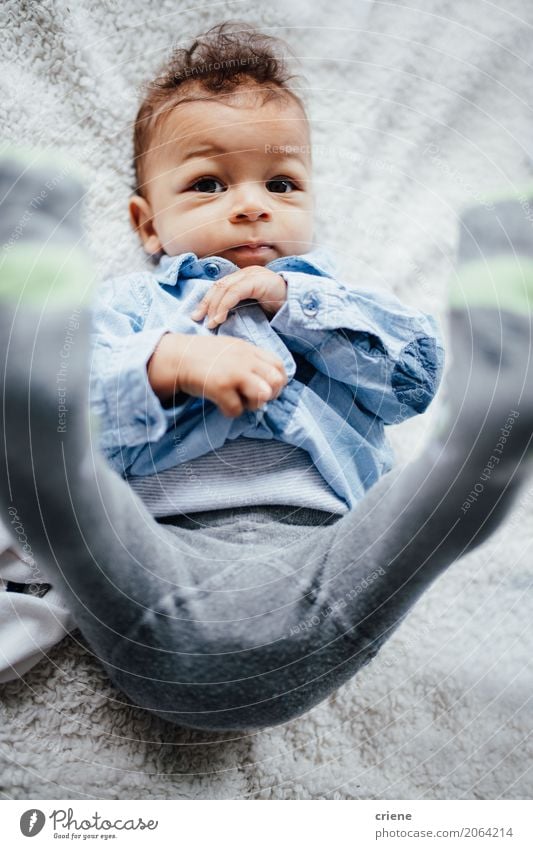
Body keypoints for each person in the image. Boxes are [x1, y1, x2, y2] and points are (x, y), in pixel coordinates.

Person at [0, 24, 530, 730]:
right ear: (147, 224)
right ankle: (26, 324)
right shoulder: (132, 306)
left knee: (417, 510)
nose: (252, 204)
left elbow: (412, 378)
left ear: (310, 205)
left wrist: (298, 304)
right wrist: (171, 363)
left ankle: (485, 437)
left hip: (326, 559)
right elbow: (86, 396)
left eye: (280, 183)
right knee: (62, 464)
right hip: (157, 558)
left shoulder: (338, 302)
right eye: (207, 183)